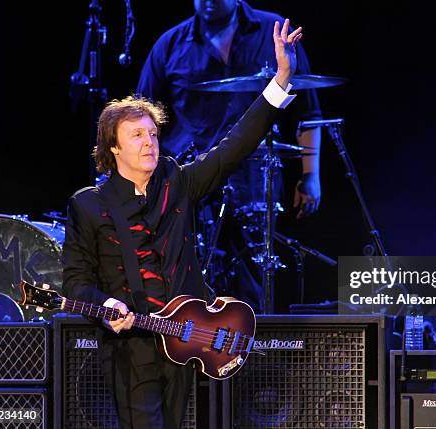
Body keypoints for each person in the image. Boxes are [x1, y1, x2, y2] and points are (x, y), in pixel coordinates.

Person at [62, 19, 302, 429]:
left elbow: (232, 149)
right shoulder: (88, 205)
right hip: (130, 347)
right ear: (113, 147)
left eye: (153, 134)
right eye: (136, 135)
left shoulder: (178, 180)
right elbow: (75, 282)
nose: (149, 142)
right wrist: (106, 307)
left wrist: (280, 80)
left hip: (184, 341)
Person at [137, 0, 323, 310]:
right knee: (187, 280)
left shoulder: (272, 31)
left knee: (252, 277)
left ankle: (253, 346)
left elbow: (307, 111)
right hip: (190, 179)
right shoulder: (170, 45)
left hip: (254, 178)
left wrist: (311, 174)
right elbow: (140, 116)